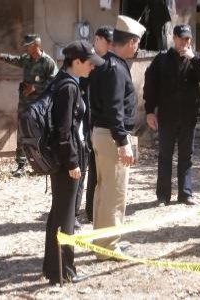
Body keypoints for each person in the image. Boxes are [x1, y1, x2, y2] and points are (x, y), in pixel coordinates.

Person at [42, 40, 104, 284]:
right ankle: (65, 271)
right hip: (67, 162)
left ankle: (53, 269)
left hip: (65, 160)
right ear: (76, 62)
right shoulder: (68, 88)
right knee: (65, 217)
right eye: (89, 63)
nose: (92, 67)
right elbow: (63, 131)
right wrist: (71, 163)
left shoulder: (65, 82)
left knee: (58, 214)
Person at [90, 16, 146, 260]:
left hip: (104, 134)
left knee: (104, 191)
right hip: (112, 136)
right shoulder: (115, 67)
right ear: (131, 42)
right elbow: (115, 108)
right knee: (114, 193)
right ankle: (108, 246)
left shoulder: (106, 63)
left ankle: (101, 242)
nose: (137, 48)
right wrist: (123, 142)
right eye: (137, 43)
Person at [143, 24, 200, 207]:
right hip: (167, 116)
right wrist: (150, 111)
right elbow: (150, 86)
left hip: (189, 116)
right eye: (182, 38)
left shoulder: (196, 58)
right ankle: (163, 196)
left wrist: (195, 59)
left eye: (188, 39)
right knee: (165, 156)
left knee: (186, 156)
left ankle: (185, 193)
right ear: (174, 38)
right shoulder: (161, 60)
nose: (185, 42)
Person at [0, 34, 58, 177]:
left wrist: (36, 87)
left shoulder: (48, 62)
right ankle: (21, 165)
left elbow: (55, 83)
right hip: (25, 103)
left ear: (36, 45)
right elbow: (14, 60)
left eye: (28, 45)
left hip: (40, 106)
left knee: (41, 132)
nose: (25, 48)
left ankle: (42, 162)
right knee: (22, 131)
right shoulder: (26, 59)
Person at [74, 25, 115, 227]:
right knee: (81, 170)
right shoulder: (86, 60)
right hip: (83, 124)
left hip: (97, 124)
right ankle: (73, 214)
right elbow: (80, 93)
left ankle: (91, 212)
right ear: (97, 40)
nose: (110, 46)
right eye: (107, 42)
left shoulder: (107, 63)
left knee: (97, 170)